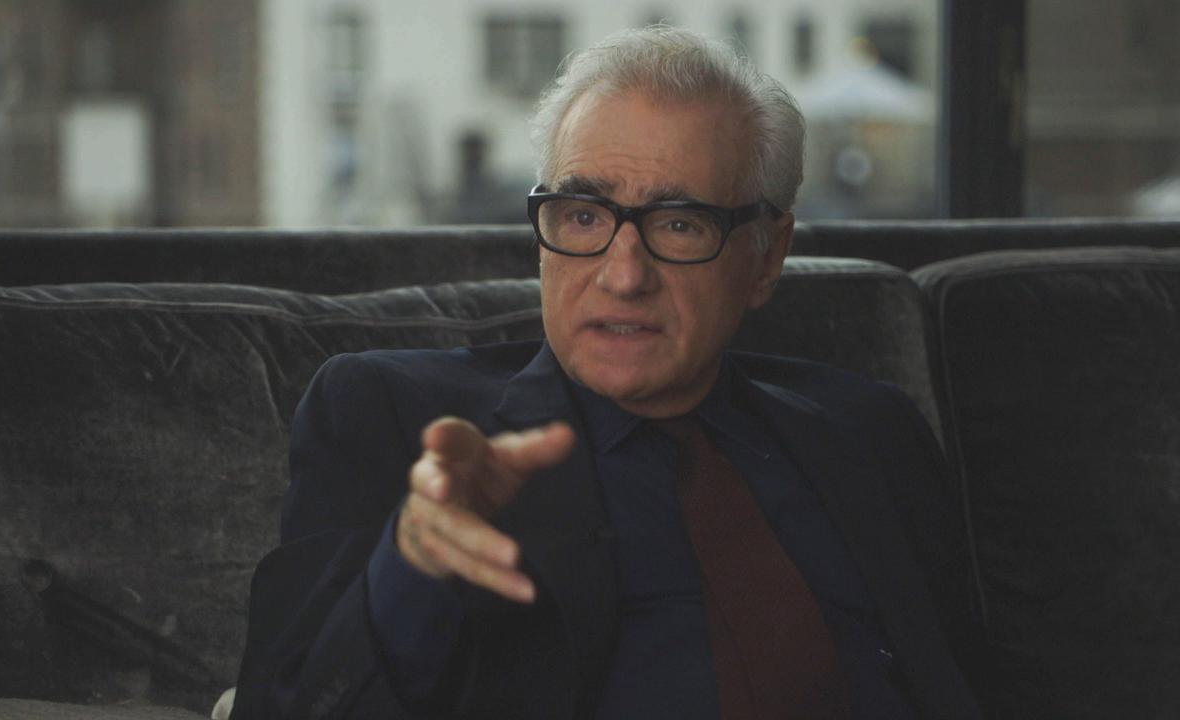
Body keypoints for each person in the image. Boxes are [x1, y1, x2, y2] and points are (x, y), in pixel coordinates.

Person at [232, 26, 982, 720]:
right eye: (584, 216)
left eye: (679, 224)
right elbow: (284, 704)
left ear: (767, 256)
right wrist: (408, 572)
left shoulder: (871, 432)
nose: (623, 277)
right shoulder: (397, 418)